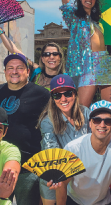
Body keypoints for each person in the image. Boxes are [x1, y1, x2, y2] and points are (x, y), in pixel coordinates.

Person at [0, 52, 50, 205]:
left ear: (27, 71)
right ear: (5, 72)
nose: (14, 71)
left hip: (28, 168)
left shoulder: (42, 94)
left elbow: (53, 127)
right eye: (10, 68)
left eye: (19, 68)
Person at [47, 100, 111, 205]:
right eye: (97, 120)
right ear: (90, 123)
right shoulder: (73, 148)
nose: (102, 125)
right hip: (74, 200)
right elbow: (62, 184)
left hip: (103, 201)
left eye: (108, 121)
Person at [57, 0, 111, 107]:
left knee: (109, 108)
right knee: (82, 108)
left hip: (104, 62)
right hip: (87, 65)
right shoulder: (72, 16)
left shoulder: (97, 21)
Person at [37, 74, 91, 205]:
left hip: (83, 175)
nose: (63, 99)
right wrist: (57, 175)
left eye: (67, 93)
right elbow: (52, 151)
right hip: (56, 174)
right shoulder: (47, 121)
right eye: (57, 95)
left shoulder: (86, 113)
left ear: (75, 94)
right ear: (52, 98)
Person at [0, 23, 65, 90]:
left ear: (60, 58)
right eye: (47, 54)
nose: (51, 57)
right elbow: (14, 50)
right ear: (42, 59)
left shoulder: (66, 79)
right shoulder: (36, 72)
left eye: (55, 54)